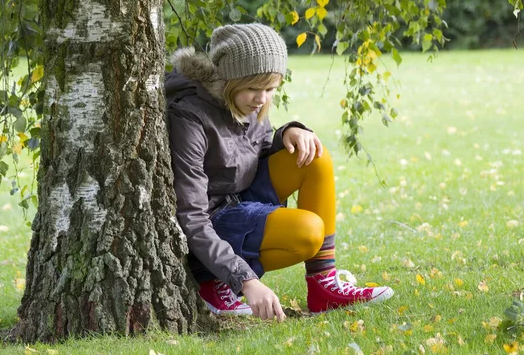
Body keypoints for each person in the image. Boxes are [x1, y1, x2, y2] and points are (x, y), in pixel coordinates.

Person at [165, 23, 393, 321]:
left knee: (314, 155)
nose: (261, 99)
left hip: (239, 198)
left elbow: (252, 153)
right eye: (252, 88)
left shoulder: (251, 105)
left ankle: (324, 286)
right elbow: (192, 217)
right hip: (210, 222)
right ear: (228, 80)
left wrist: (290, 131)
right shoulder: (190, 115)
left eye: (270, 89)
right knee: (307, 231)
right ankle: (212, 280)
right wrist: (246, 281)